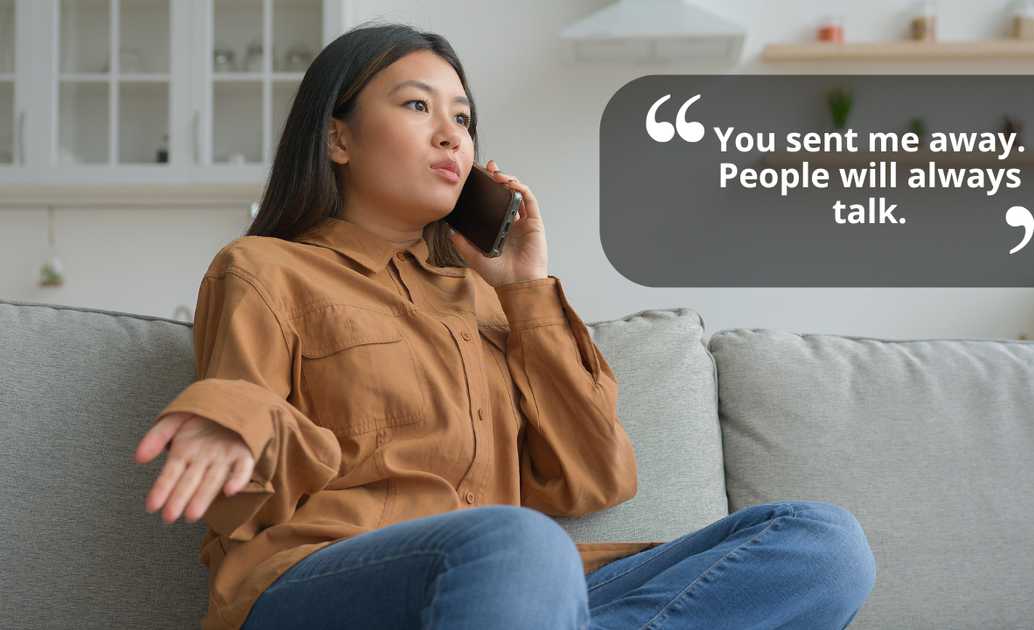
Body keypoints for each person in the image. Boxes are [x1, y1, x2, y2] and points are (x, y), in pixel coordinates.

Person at [133, 21, 876, 630]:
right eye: (418, 107)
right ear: (338, 139)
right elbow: (244, 416)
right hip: (325, 582)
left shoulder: (486, 301)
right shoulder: (265, 268)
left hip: (515, 594)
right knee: (521, 543)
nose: (452, 135)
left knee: (821, 543)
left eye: (462, 116)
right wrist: (229, 420)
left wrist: (526, 292)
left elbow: (592, 478)